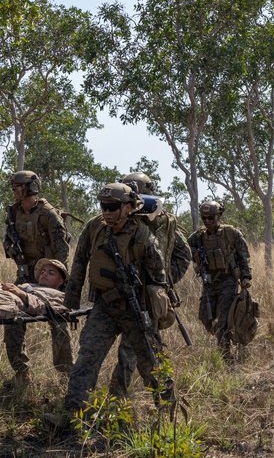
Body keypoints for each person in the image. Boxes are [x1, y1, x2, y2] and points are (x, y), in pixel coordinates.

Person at [48, 182, 169, 427]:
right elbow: (80, 262)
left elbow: (158, 276)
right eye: (103, 206)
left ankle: (168, 414)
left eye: (112, 207)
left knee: (150, 363)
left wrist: (151, 311)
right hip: (105, 305)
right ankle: (73, 415)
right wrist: (70, 303)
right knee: (87, 357)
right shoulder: (94, 228)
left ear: (128, 207)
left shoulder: (142, 236)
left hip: (136, 309)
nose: (107, 211)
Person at [113, 172, 191, 395]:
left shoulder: (163, 221)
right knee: (146, 348)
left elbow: (183, 253)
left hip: (148, 295)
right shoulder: (122, 218)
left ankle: (121, 400)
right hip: (129, 292)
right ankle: (163, 399)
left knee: (136, 349)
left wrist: (163, 280)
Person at [2, 170, 72, 386]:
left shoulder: (49, 215)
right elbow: (7, 242)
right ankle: (22, 373)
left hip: (49, 275)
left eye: (18, 186)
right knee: (11, 315)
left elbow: (62, 251)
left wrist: (53, 278)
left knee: (58, 320)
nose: (14, 190)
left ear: (30, 188)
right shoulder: (13, 213)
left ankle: (65, 376)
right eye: (13, 187)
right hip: (25, 274)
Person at [186, 201, 252, 361]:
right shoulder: (199, 236)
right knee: (205, 317)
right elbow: (184, 247)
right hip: (209, 282)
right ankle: (227, 335)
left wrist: (246, 276)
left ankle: (225, 356)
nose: (207, 221)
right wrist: (195, 254)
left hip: (228, 280)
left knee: (223, 319)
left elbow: (244, 255)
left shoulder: (231, 233)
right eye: (204, 218)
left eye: (211, 217)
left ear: (219, 216)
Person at [0, 258, 68, 322]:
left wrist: (22, 295)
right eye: (43, 271)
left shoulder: (60, 296)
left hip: (8, 301)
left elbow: (48, 309)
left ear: (60, 281)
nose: (44, 274)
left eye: (51, 273)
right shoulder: (30, 285)